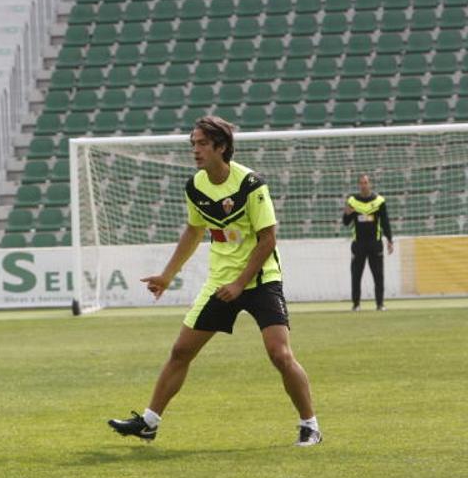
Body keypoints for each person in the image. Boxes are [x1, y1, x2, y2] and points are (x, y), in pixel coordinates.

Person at [108, 117, 322, 447]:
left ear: (221, 147)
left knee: (279, 354)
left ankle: (310, 425)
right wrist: (167, 275)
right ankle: (149, 423)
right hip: (220, 283)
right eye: (192, 144)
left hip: (260, 280)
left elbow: (268, 240)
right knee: (180, 352)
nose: (195, 150)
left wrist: (240, 284)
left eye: (202, 144)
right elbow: (194, 231)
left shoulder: (251, 184)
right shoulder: (195, 186)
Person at [343, 174, 394, 312]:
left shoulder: (379, 201)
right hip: (358, 244)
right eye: (361, 183)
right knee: (356, 275)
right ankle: (356, 304)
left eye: (366, 182)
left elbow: (385, 222)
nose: (364, 185)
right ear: (358, 185)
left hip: (375, 243)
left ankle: (380, 304)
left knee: (378, 275)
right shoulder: (352, 201)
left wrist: (389, 240)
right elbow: (346, 223)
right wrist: (346, 214)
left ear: (370, 184)